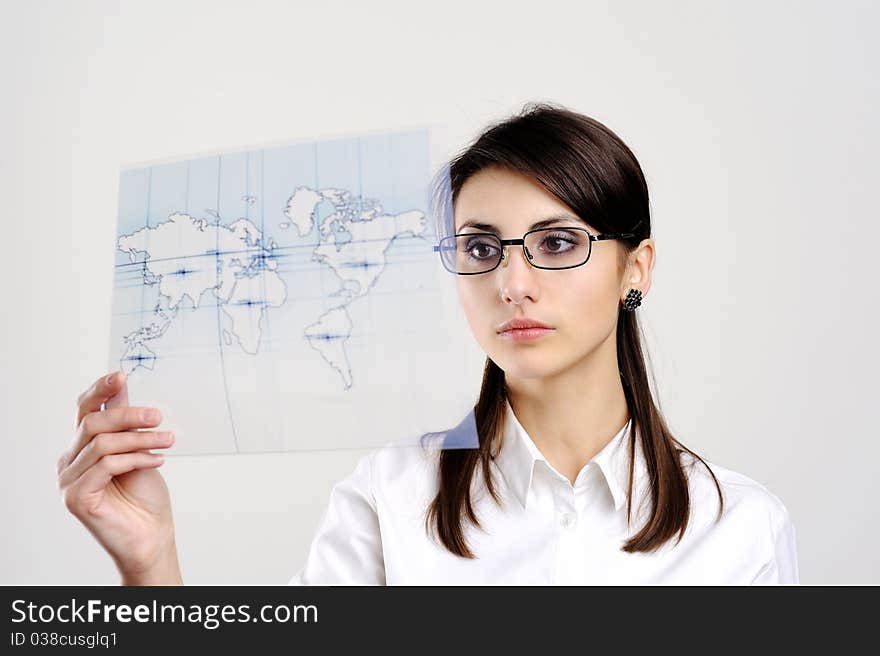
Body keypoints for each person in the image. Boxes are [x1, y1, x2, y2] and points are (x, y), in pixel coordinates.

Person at [58, 103, 799, 585]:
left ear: (634, 270)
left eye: (557, 242)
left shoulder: (739, 526)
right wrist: (150, 560)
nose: (513, 282)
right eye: (480, 248)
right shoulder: (390, 497)